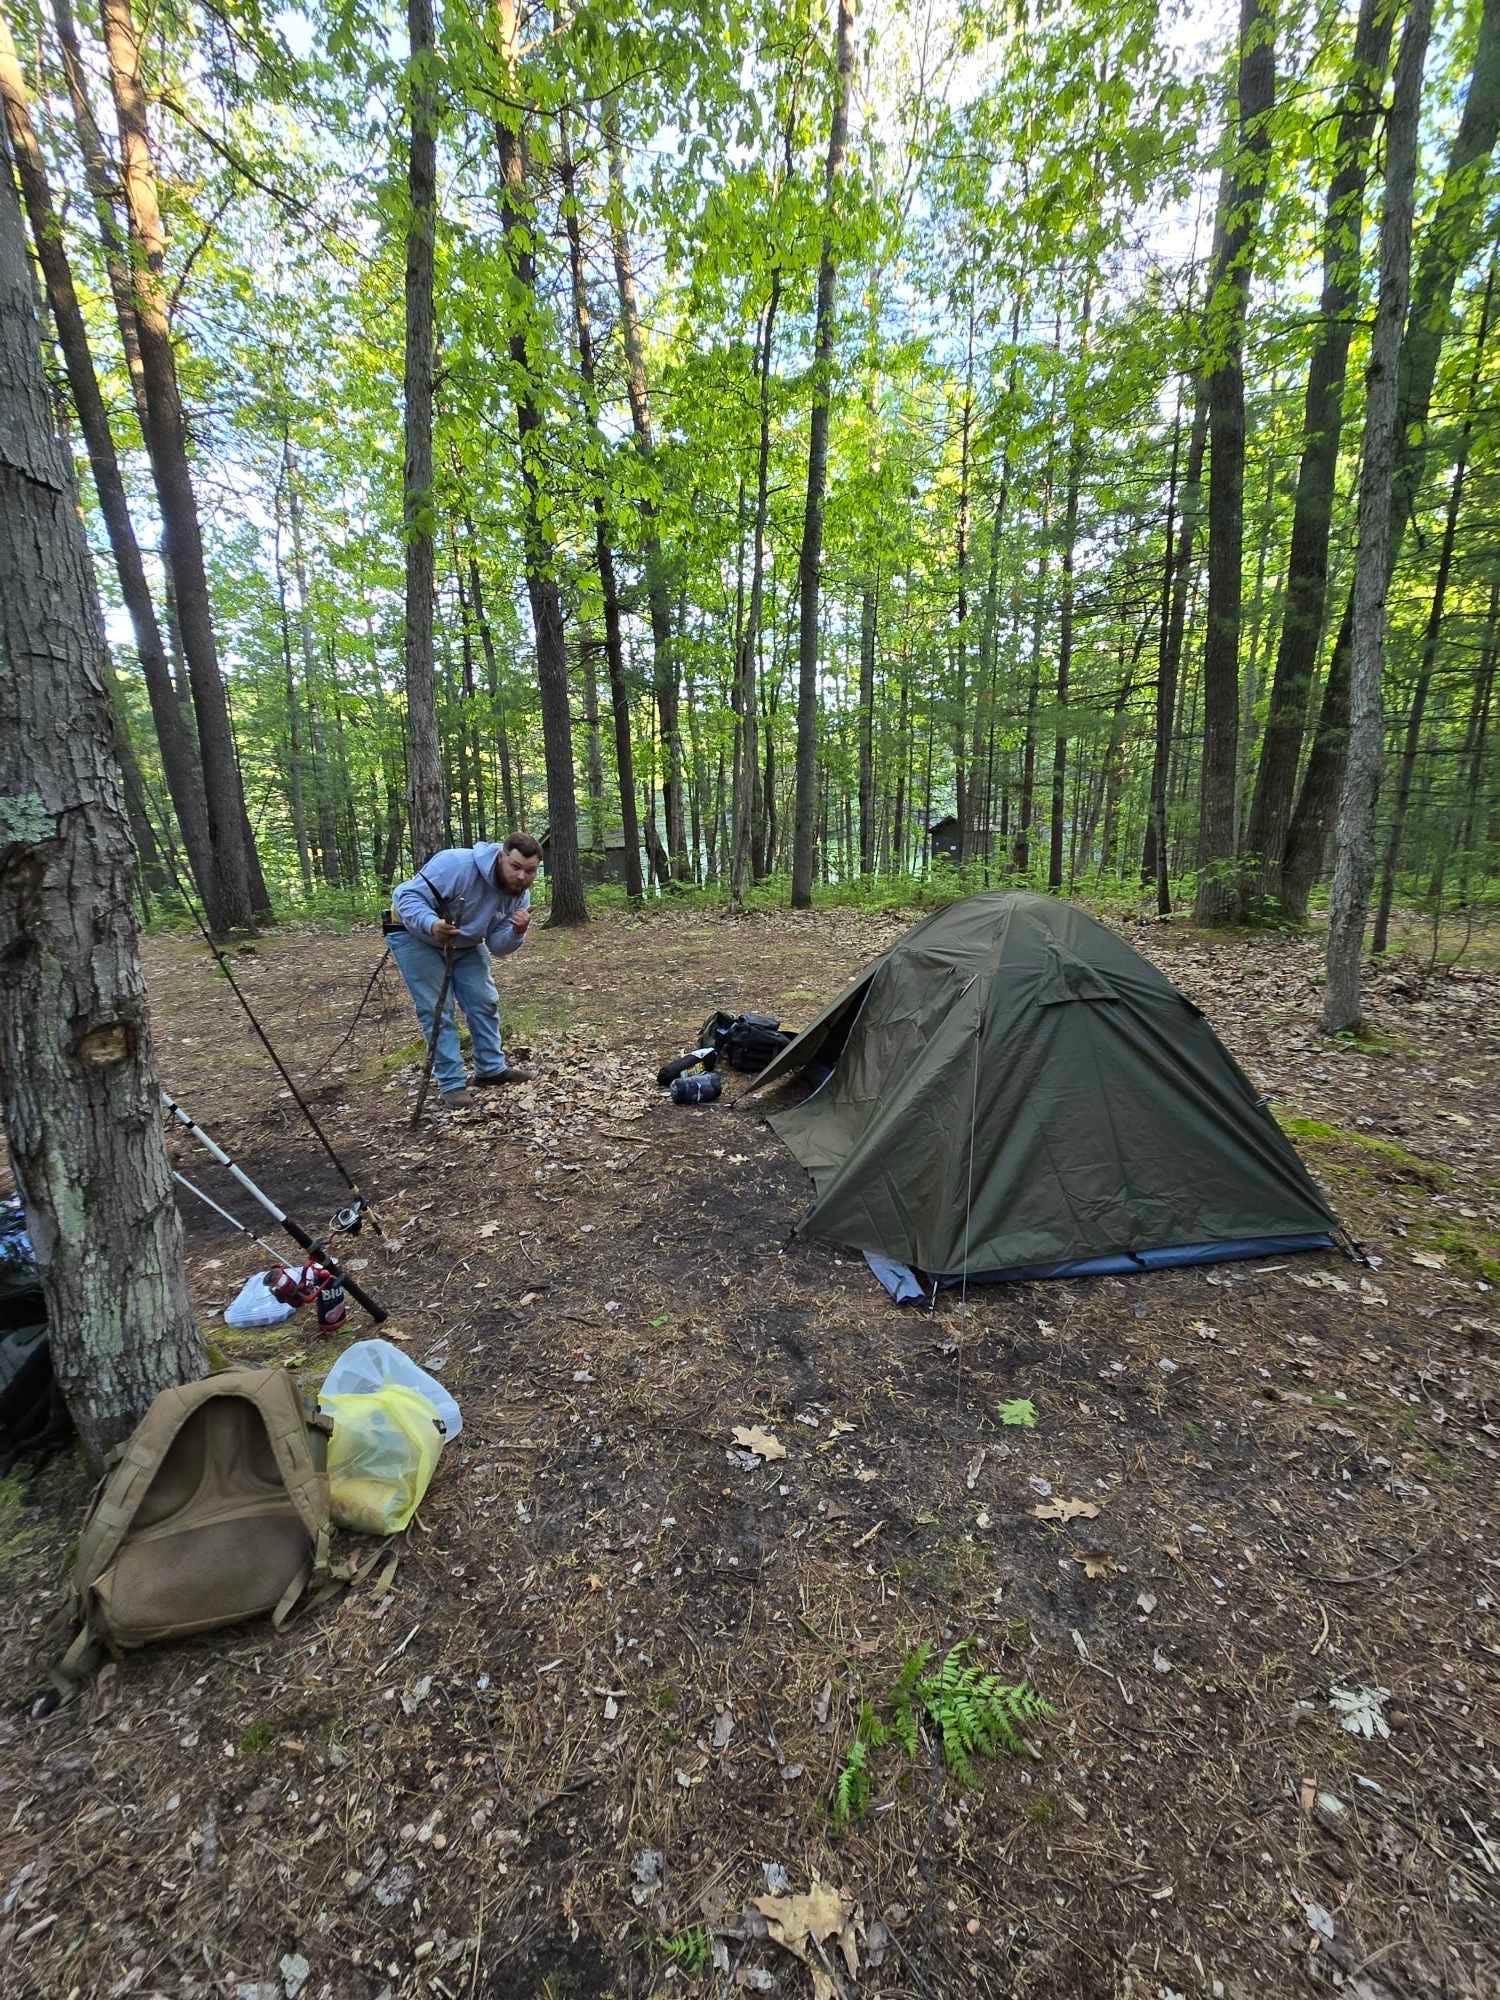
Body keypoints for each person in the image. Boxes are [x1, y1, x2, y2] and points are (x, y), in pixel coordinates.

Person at [388, 833, 540, 1105]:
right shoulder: (456, 864)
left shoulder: (519, 896)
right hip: (414, 935)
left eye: (530, 871)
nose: (521, 877)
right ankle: (451, 1084)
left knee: (483, 1001)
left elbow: (498, 945)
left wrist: (517, 931)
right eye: (515, 867)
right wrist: (431, 924)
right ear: (501, 857)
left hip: (465, 941)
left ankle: (490, 1070)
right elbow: (406, 897)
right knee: (438, 1009)